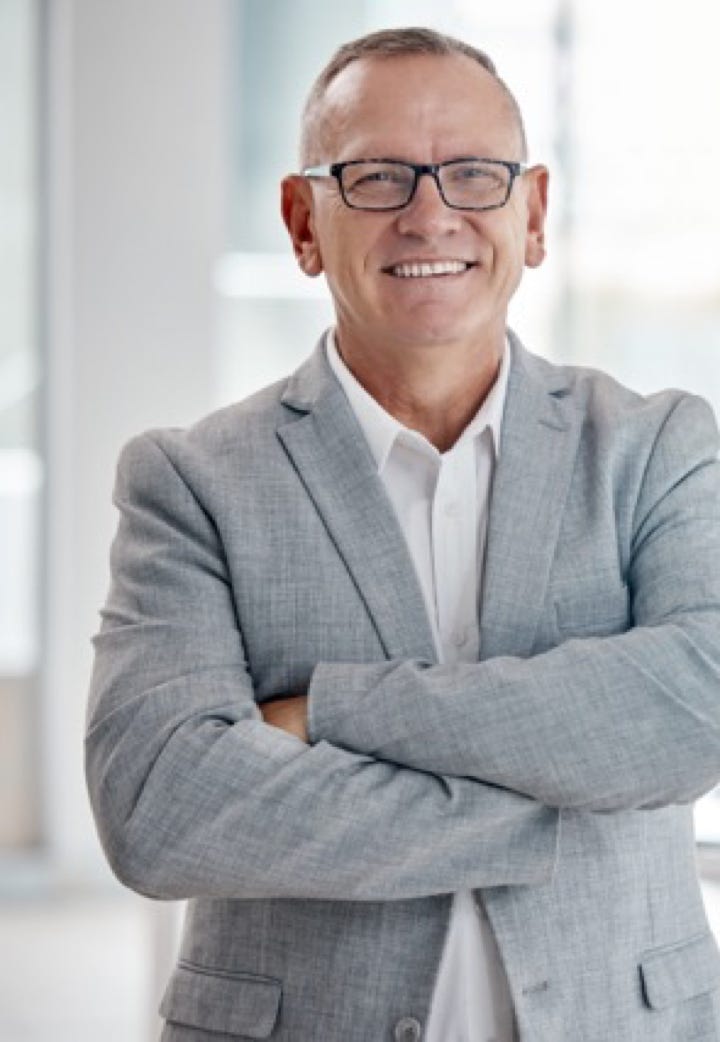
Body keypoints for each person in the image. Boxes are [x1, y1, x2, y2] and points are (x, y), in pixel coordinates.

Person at [85, 26, 720, 1042]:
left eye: (473, 173)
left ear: (535, 212)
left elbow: (697, 707)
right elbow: (160, 808)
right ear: (302, 221)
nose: (431, 214)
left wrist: (329, 706)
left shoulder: (657, 447)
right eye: (377, 176)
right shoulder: (192, 481)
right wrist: (558, 794)